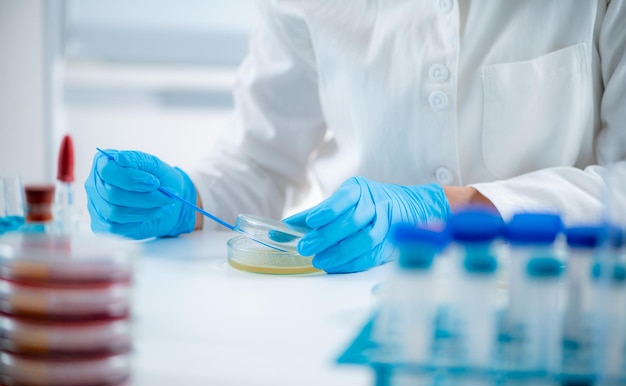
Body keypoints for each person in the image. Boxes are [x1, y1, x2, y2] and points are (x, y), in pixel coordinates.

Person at [85, 0, 626, 273]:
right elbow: (260, 160)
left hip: (558, 304)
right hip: (359, 312)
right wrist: (187, 199)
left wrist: (450, 208)